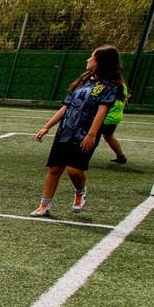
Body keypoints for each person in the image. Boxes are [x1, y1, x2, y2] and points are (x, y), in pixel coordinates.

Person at [31, 44, 123, 217]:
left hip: (84, 133)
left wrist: (91, 134)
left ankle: (80, 192)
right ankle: (44, 206)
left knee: (74, 170)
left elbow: (102, 112)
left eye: (92, 57)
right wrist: (47, 126)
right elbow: (67, 106)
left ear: (100, 61)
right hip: (65, 130)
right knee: (55, 168)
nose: (88, 59)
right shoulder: (83, 81)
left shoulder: (110, 86)